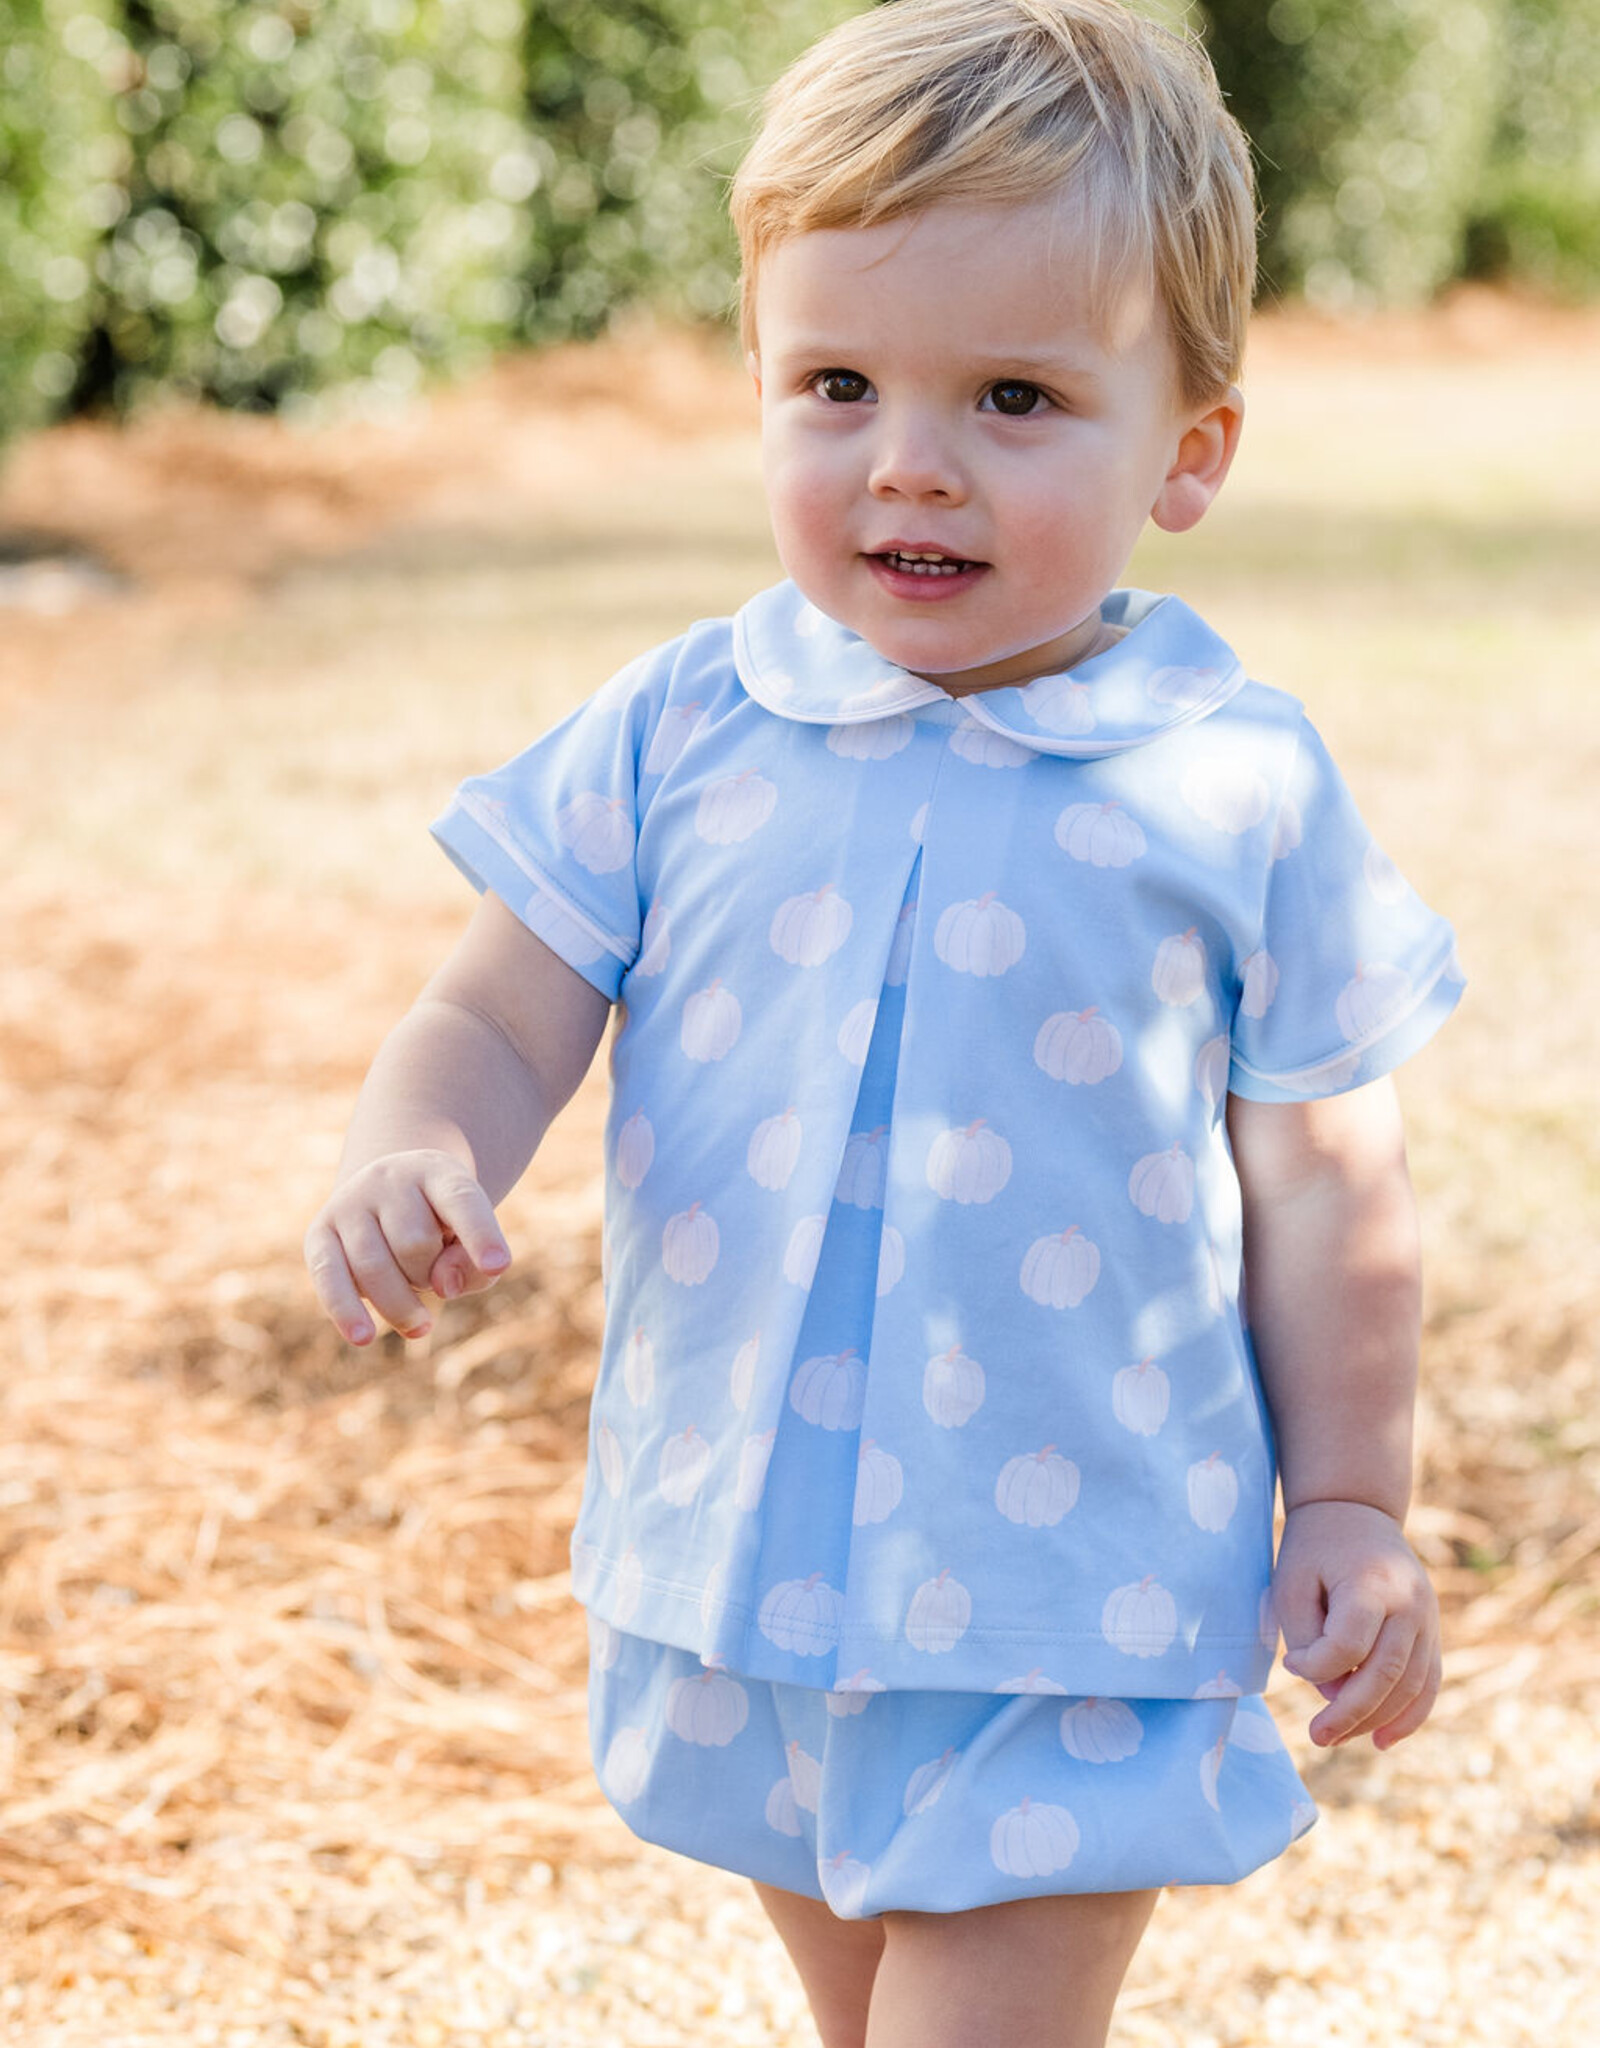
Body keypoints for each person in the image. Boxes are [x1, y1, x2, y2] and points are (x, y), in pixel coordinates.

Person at [304, 3, 1463, 2040]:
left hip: (1076, 1592)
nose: (906, 462)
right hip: (741, 1562)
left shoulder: (1229, 782)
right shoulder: (685, 726)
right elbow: (494, 1003)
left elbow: (1327, 1177)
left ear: (1186, 449)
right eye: (833, 383)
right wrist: (415, 1142)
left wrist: (1351, 1499)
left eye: (1012, 396)